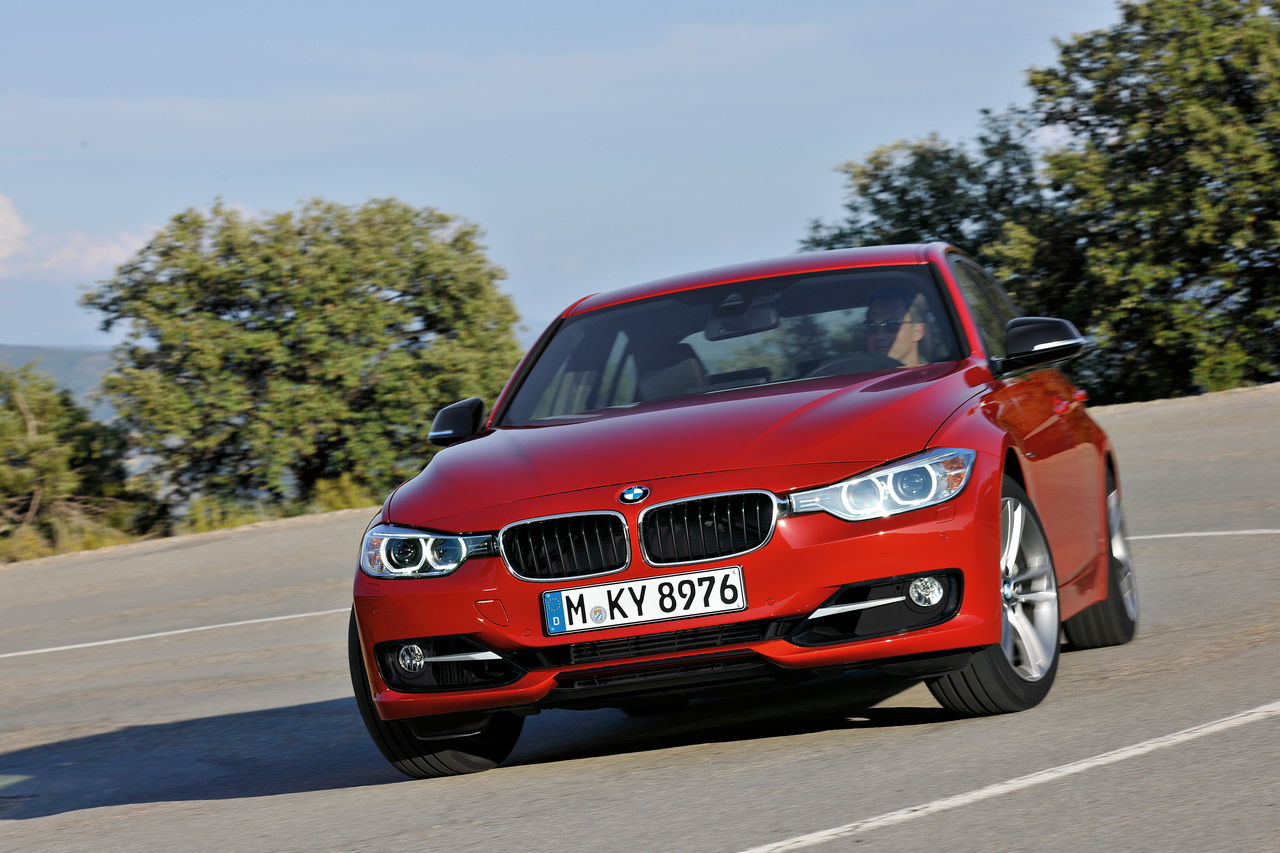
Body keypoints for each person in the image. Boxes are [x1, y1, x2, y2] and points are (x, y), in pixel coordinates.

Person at [865, 288, 930, 367]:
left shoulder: (938, 373)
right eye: (872, 326)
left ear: (917, 332)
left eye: (892, 326)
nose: (879, 336)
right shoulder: (859, 373)